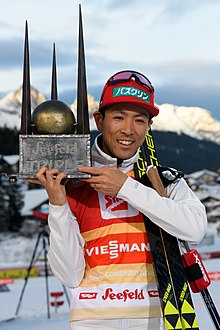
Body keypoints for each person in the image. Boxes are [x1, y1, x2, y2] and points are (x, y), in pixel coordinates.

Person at [34, 70, 207, 330]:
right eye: (118, 117)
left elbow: (195, 229)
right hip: (92, 321)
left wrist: (126, 187)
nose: (129, 130)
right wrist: (58, 203)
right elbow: (70, 275)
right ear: (99, 120)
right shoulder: (72, 183)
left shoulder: (164, 180)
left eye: (140, 120)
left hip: (158, 320)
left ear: (149, 126)